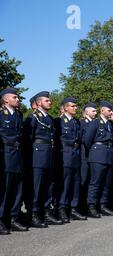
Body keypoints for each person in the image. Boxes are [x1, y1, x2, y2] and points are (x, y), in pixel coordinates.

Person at [25, 91, 62, 227]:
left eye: (50, 100)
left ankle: (46, 212)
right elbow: (28, 139)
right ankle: (33, 213)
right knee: (36, 185)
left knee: (48, 185)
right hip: (38, 155)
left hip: (48, 154)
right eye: (47, 100)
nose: (50, 102)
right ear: (39, 102)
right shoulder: (34, 117)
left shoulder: (49, 118)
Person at [0, 88, 28, 234]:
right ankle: (1, 219)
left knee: (17, 188)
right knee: (5, 189)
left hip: (17, 154)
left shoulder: (18, 114)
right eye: (15, 97)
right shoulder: (1, 114)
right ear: (6, 100)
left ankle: (14, 218)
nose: (18, 99)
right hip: (6, 153)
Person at [54, 97, 86, 222]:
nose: (75, 108)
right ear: (65, 107)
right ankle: (61, 208)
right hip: (65, 154)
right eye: (72, 106)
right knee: (65, 183)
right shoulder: (59, 121)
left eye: (76, 106)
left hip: (76, 155)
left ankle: (73, 208)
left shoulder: (76, 122)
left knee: (75, 183)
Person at [83, 101, 113, 218]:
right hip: (98, 155)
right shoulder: (95, 123)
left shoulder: (110, 124)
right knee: (95, 183)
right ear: (102, 110)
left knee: (106, 183)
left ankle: (103, 205)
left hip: (109, 155)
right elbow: (87, 140)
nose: (111, 112)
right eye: (109, 110)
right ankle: (91, 206)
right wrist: (94, 152)